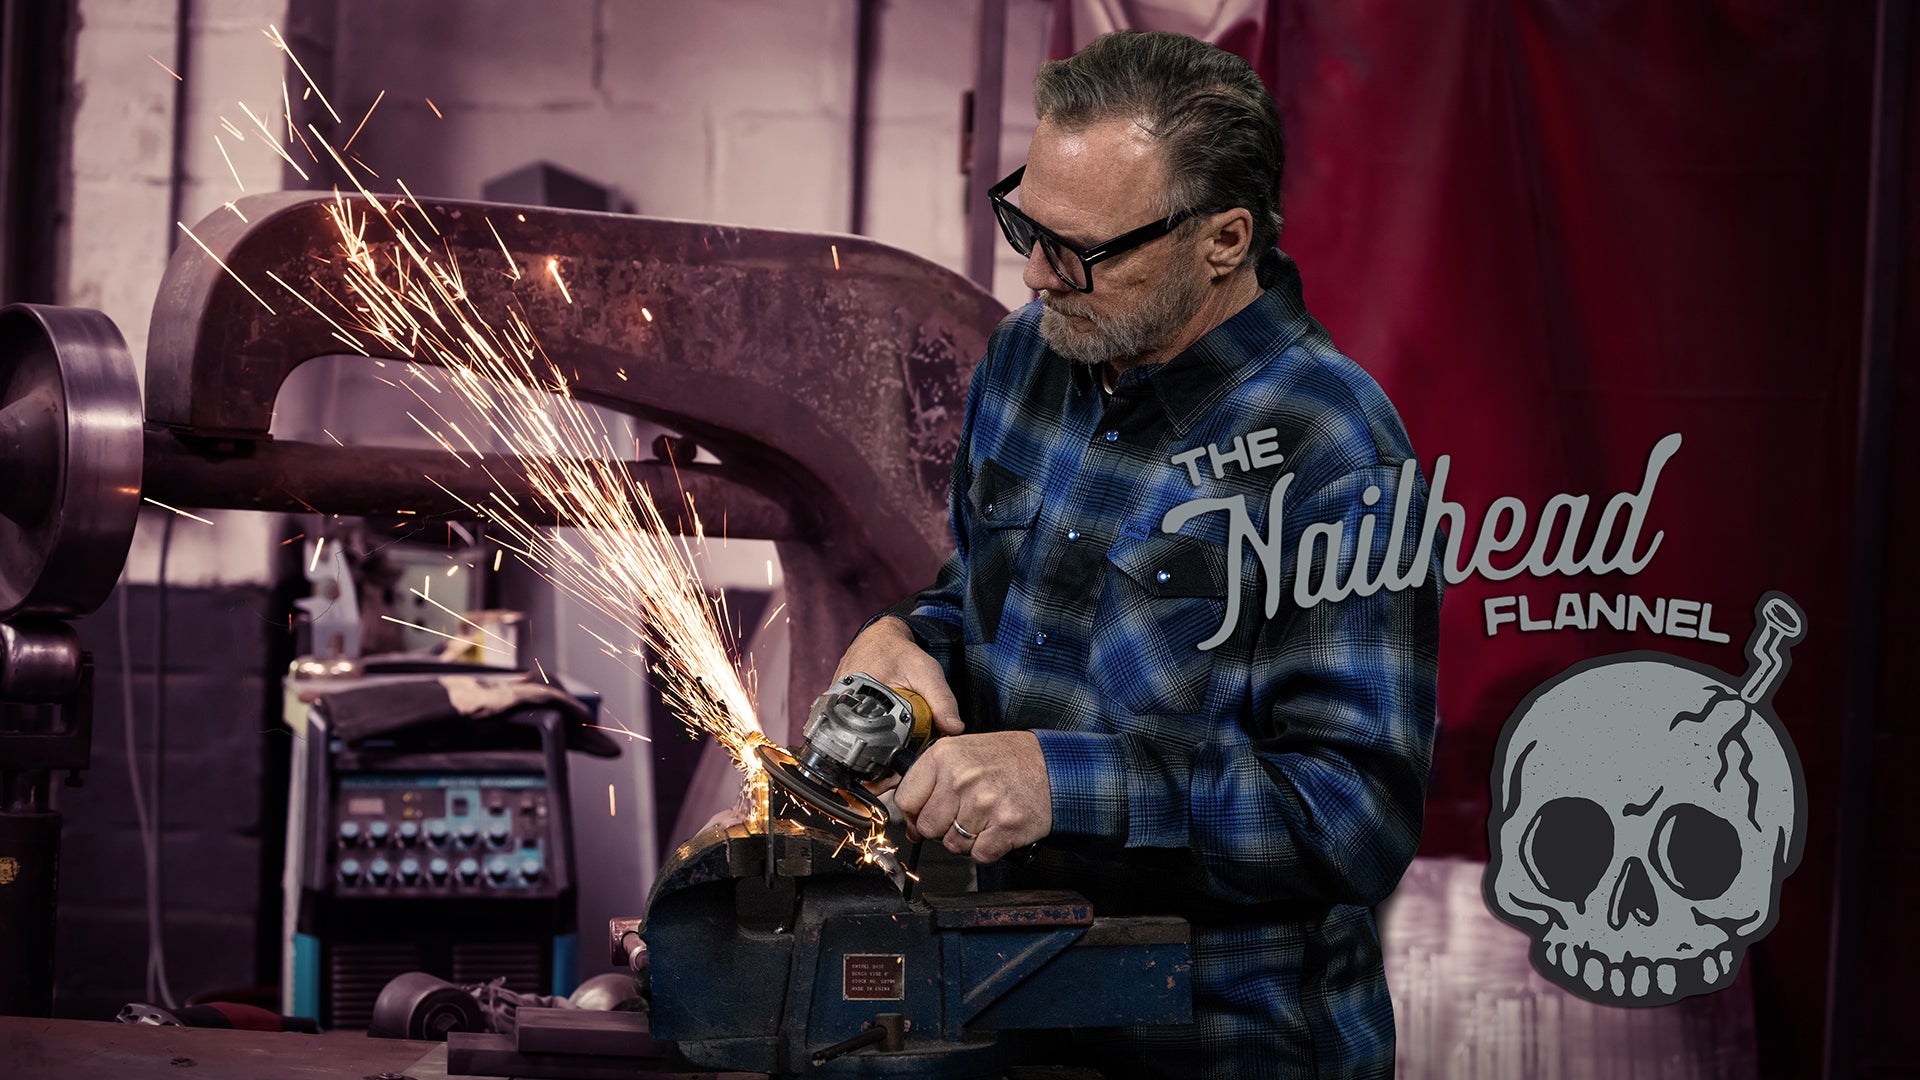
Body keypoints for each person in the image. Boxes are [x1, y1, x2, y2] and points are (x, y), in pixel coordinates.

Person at [833, 29, 1441, 1080]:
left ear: (1223, 240)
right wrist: (903, 641)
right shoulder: (1029, 358)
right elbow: (979, 597)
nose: (1034, 273)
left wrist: (1065, 783)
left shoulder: (1334, 448)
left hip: (1223, 1040)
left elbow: (1356, 819)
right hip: (1007, 997)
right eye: (1026, 222)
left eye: (1081, 250)